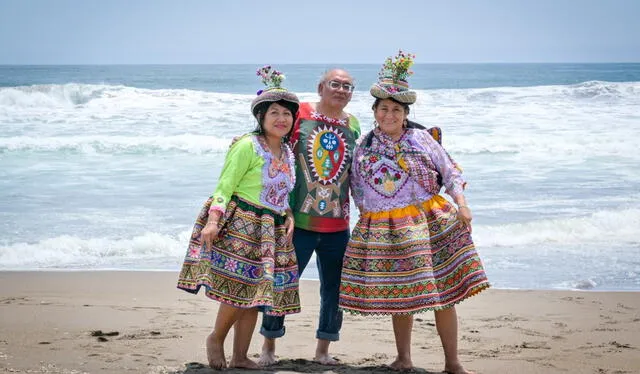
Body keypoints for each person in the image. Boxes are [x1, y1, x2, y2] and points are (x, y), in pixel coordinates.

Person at [339, 51, 490, 374]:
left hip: (429, 222)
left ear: (405, 114)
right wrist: (365, 223)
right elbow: (356, 188)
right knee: (402, 296)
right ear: (375, 112)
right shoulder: (364, 145)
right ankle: (404, 358)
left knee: (444, 294)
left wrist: (462, 205)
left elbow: (449, 172)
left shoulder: (421, 138)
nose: (389, 115)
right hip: (387, 228)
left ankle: (453, 362)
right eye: (384, 109)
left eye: (395, 109)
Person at [177, 66, 301, 370]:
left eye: (287, 114)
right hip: (242, 222)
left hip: (269, 227)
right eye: (274, 112)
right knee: (236, 289)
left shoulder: (287, 151)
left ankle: (241, 356)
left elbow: (281, 191)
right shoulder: (247, 146)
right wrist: (213, 220)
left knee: (256, 293)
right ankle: (216, 338)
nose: (282, 119)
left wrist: (288, 215)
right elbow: (225, 184)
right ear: (261, 117)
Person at [258, 69, 361, 366]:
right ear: (320, 87)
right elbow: (271, 139)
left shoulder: (352, 123)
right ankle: (268, 346)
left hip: (338, 224)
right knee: (282, 284)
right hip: (297, 224)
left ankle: (323, 351)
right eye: (334, 84)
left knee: (335, 290)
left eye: (347, 86)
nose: (340, 90)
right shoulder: (299, 113)